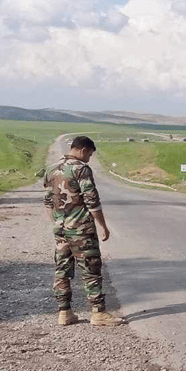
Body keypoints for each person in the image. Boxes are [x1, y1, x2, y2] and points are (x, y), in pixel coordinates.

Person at [43, 135, 125, 326]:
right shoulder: (81, 169)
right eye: (89, 154)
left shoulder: (51, 169)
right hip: (81, 229)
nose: (89, 158)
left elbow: (48, 202)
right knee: (91, 269)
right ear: (83, 150)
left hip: (60, 229)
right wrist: (103, 226)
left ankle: (64, 313)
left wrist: (58, 222)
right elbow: (92, 201)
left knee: (62, 269)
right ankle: (98, 313)